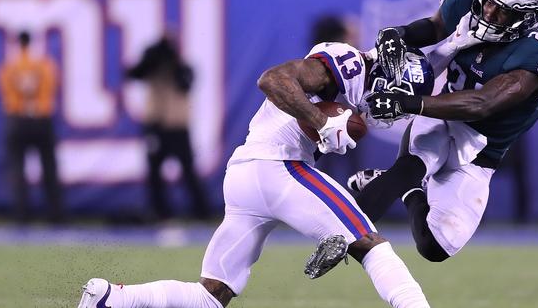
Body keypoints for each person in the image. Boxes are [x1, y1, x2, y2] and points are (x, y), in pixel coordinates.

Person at [77, 42, 433, 308]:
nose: (394, 108)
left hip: (248, 174)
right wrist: (321, 120)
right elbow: (272, 80)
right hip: (278, 166)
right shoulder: (347, 64)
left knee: (210, 296)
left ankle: (109, 297)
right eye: (398, 95)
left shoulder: (362, 99)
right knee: (371, 246)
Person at [347, 0, 538, 262]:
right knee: (408, 167)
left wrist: (407, 103)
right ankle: (341, 233)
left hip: (482, 149)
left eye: (502, 10)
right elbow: (436, 27)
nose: (488, 12)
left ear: (527, 18)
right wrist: (399, 33)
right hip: (443, 116)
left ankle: (409, 189)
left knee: (433, 247)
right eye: (488, 1)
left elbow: (482, 104)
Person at [125, 33, 209, 221]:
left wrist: (174, 61)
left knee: (188, 171)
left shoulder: (183, 67)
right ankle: (160, 212)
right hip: (155, 125)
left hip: (177, 126)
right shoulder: (151, 68)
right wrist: (151, 57)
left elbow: (185, 84)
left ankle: (201, 212)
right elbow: (132, 74)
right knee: (154, 172)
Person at [0, 31, 63, 224]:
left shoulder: (10, 66)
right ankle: (55, 215)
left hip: (18, 119)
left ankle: (22, 216)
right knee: (49, 168)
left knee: (18, 169)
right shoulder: (44, 64)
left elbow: (6, 92)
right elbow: (51, 87)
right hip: (41, 118)